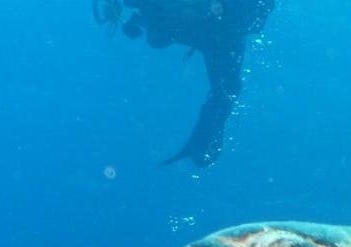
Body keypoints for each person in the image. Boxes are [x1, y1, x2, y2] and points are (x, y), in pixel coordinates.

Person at [101, 0, 277, 166]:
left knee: (227, 90)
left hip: (214, 28)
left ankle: (202, 146)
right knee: (227, 90)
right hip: (211, 28)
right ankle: (202, 146)